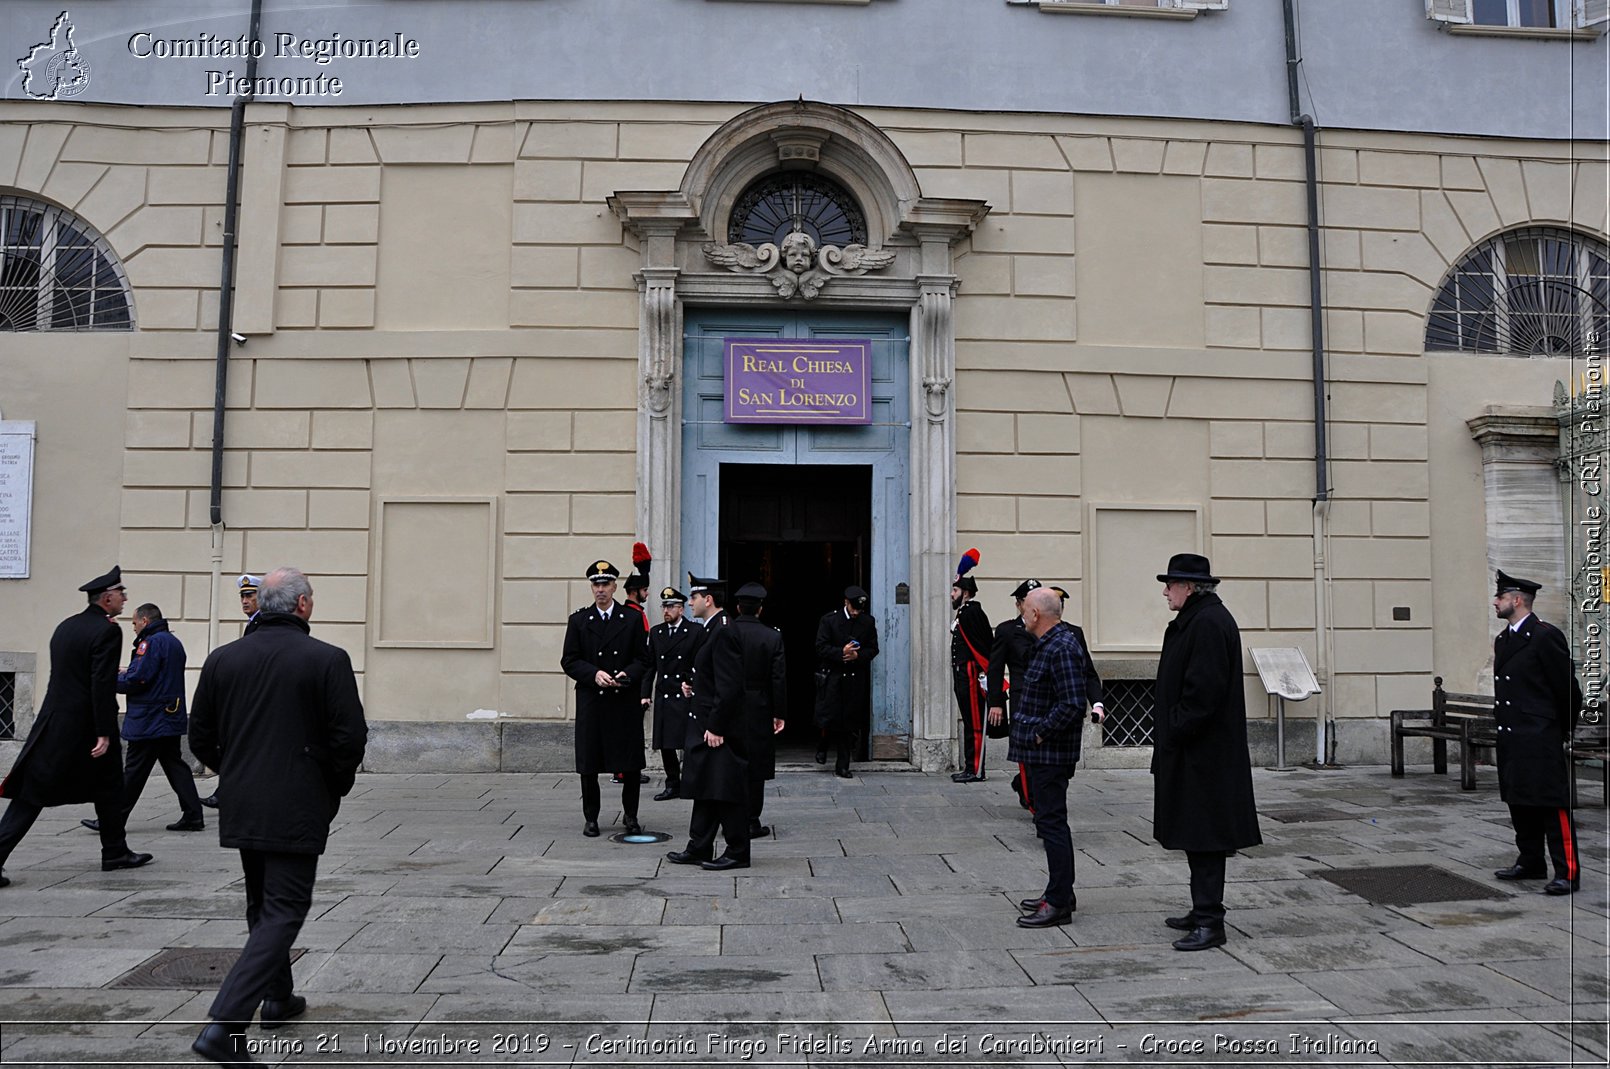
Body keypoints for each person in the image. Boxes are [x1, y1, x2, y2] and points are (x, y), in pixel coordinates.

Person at [188, 567, 366, 1064]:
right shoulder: (326, 659)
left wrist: (238, 772)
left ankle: (278, 996)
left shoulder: (223, 659)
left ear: (263, 605)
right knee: (284, 908)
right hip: (297, 801)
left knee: (260, 903)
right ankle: (225, 1026)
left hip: (244, 800)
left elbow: (199, 736)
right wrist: (329, 784)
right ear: (303, 605)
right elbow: (349, 737)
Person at [0, 567, 153, 887]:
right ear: (107, 597)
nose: (125, 599)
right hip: (84, 727)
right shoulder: (108, 631)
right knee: (33, 794)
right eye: (121, 593)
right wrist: (102, 730)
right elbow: (100, 683)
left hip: (55, 721)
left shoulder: (66, 626)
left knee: (109, 786)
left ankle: (115, 851)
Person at [1151, 553, 1261, 951]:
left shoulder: (1209, 623)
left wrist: (1174, 730)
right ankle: (1202, 909)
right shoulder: (1198, 620)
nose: (1166, 591)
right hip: (1193, 752)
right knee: (1197, 835)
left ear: (1190, 587)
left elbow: (1203, 694)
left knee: (1206, 836)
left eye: (1171, 584)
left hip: (1204, 756)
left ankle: (1211, 921)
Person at [669, 582, 785, 870]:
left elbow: (730, 684)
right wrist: (693, 687)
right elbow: (710, 676)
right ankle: (699, 846)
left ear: (708, 600)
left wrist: (717, 726)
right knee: (707, 787)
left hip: (718, 726)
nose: (690, 602)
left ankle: (737, 850)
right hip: (707, 720)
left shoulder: (723, 630)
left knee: (725, 788)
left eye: (693, 597)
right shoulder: (712, 628)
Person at [1010, 588, 1100, 929]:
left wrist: (1039, 732)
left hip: (1049, 753)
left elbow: (1072, 703)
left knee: (1051, 824)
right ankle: (1060, 891)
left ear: (1036, 615)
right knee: (1049, 822)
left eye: (1026, 610)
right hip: (1041, 752)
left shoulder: (1061, 646)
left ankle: (1059, 902)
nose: (1023, 616)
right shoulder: (1050, 642)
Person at [1490, 570, 1583, 895]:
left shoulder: (1545, 636)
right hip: (1513, 736)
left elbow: (1568, 689)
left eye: (1500, 597)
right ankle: (1531, 861)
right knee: (1520, 801)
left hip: (1540, 736)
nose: (1495, 602)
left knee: (1551, 805)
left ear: (1517, 600)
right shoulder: (1504, 640)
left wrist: (1561, 731)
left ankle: (1567, 871)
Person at [80, 602, 202, 835]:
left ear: (145, 621)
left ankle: (112, 819)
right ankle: (193, 814)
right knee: (175, 766)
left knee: (134, 770)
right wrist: (131, 670)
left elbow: (139, 679)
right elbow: (157, 674)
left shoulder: (151, 643)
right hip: (168, 714)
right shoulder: (172, 641)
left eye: (134, 622)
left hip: (150, 718)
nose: (133, 627)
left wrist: (108, 682)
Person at [559, 559, 650, 837]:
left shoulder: (632, 618)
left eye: (605, 584)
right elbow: (569, 660)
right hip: (593, 700)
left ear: (614, 586)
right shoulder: (579, 620)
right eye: (596, 584)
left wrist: (627, 673)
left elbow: (643, 659)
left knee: (630, 762)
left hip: (623, 700)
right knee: (589, 764)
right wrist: (593, 674)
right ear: (591, 588)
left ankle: (631, 815)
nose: (600, 589)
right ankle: (591, 818)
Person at [202, 573, 260, 811]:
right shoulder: (254, 623)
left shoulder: (260, 623)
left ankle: (227, 793)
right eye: (242, 596)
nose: (245, 601)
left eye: (250, 595)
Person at [813, 585, 880, 779]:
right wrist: (840, 653)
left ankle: (842, 765)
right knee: (828, 718)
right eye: (854, 608)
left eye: (860, 609)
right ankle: (822, 745)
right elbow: (820, 647)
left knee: (848, 722)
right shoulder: (830, 620)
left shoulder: (867, 622)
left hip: (854, 679)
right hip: (832, 677)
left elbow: (873, 649)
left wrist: (857, 656)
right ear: (846, 603)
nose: (857, 613)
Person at [643, 586, 697, 801]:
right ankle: (672, 783)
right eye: (664, 606)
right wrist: (644, 693)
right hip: (664, 694)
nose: (667, 610)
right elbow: (650, 666)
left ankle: (691, 783)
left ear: (681, 609)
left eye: (671, 606)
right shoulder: (657, 633)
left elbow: (700, 663)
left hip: (685, 695)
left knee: (688, 742)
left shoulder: (694, 632)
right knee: (666, 745)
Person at [950, 566, 992, 783]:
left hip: (971, 676)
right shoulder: (963, 612)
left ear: (965, 593)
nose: (951, 594)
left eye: (955, 590)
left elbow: (982, 645)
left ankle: (975, 769)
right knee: (969, 721)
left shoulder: (972, 612)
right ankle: (971, 766)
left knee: (975, 724)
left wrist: (985, 674)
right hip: (963, 676)